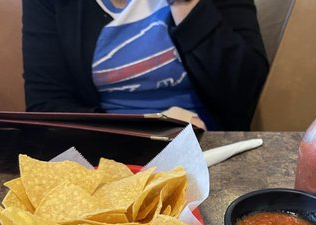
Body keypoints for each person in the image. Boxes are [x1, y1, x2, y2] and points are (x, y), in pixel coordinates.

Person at [22, 0, 269, 130]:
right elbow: (46, 106)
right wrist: (150, 125)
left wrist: (187, 5)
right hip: (108, 146)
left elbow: (245, 95)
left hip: (211, 143)